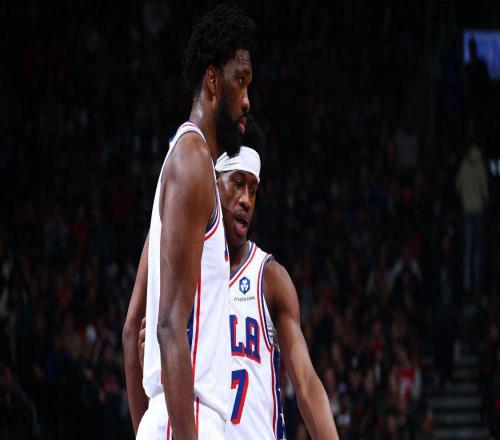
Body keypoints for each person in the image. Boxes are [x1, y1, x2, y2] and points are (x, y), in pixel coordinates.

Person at [139, 118, 339, 439]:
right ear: (213, 185)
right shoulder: (182, 273)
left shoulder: (269, 277)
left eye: (253, 190)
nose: (246, 199)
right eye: (237, 183)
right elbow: (135, 338)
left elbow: (305, 382)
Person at [122, 5, 255, 440]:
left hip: (173, 420)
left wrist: (148, 424)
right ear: (213, 81)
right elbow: (165, 326)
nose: (247, 100)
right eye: (241, 81)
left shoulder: (182, 166)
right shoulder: (193, 161)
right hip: (187, 418)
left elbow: (132, 327)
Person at [455, 143, 489, 299]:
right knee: (477, 249)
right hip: (478, 211)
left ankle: (467, 284)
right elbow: (484, 189)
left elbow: (457, 186)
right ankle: (476, 283)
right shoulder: (480, 166)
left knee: (468, 249)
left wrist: (465, 195)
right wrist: (484, 199)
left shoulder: (464, 165)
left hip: (467, 210)